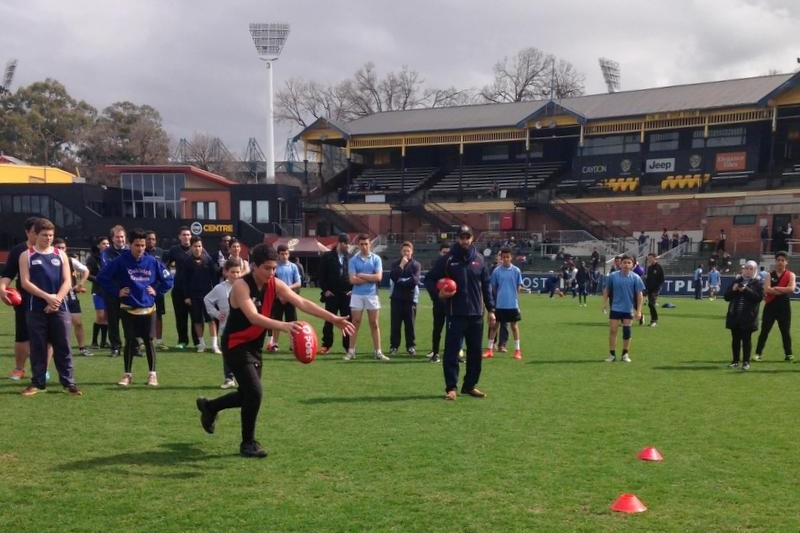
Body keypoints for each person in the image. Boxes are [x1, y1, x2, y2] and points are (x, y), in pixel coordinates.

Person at [195, 243, 355, 458]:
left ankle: (210, 407)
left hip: (254, 346)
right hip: (235, 345)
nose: (271, 273)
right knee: (255, 393)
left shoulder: (274, 283)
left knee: (248, 395)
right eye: (267, 268)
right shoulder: (242, 286)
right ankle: (248, 443)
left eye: (274, 268)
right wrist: (284, 326)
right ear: (254, 266)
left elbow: (301, 302)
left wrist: (333, 318)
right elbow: (253, 317)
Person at [425, 225, 495, 400]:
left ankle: (470, 386)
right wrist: (438, 294)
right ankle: (451, 388)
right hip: (455, 314)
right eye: (462, 237)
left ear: (472, 238)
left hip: (476, 315)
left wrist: (491, 310)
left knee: (475, 353)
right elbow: (429, 278)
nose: (465, 240)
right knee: (452, 352)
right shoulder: (448, 259)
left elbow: (486, 286)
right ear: (458, 238)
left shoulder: (479, 259)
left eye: (468, 237)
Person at [98, 228, 174, 387]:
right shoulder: (120, 261)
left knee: (148, 341)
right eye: (137, 245)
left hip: (148, 309)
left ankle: (152, 375)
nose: (140, 249)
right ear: (129, 244)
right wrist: (116, 291)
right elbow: (102, 278)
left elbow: (168, 280)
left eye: (143, 245)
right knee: (130, 341)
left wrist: (157, 291)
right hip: (128, 308)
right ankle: (127, 375)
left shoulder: (152, 262)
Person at [18, 218, 82, 396]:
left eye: (51, 235)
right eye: (44, 235)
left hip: (59, 308)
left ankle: (69, 383)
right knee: (38, 347)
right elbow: (25, 282)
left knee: (63, 345)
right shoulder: (27, 255)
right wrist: (47, 297)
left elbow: (67, 281)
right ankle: (37, 383)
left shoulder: (60, 255)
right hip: (36, 308)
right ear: (36, 235)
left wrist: (57, 300)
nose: (48, 238)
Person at [345, 234, 387, 361]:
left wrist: (362, 275)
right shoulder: (353, 260)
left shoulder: (376, 259)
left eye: (366, 244)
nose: (364, 246)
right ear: (358, 245)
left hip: (372, 295)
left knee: (374, 323)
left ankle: (378, 352)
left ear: (370, 245)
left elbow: (378, 277)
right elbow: (352, 280)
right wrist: (370, 277)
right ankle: (351, 351)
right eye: (361, 244)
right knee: (355, 323)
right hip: (357, 295)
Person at [204, 258, 243, 388]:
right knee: (227, 355)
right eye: (233, 272)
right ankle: (229, 378)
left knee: (242, 355)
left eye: (238, 272)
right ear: (226, 272)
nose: (236, 275)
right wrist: (216, 314)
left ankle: (243, 378)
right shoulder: (220, 288)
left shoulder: (245, 286)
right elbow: (207, 300)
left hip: (243, 328)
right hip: (226, 327)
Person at [602, 254, 644, 363]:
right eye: (624, 262)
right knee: (613, 331)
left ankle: (625, 354)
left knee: (627, 332)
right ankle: (612, 355)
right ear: (620, 264)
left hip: (628, 309)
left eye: (629, 263)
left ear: (632, 265)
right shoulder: (613, 276)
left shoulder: (636, 278)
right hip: (615, 308)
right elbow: (607, 290)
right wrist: (604, 304)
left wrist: (639, 311)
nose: (626, 264)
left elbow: (640, 295)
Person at [754, 251, 795, 362]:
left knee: (785, 331)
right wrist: (782, 289)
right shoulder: (769, 275)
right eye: (778, 260)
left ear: (786, 262)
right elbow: (767, 289)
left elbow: (791, 289)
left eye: (783, 260)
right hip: (770, 306)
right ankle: (758, 353)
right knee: (764, 331)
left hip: (784, 306)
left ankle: (788, 354)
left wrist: (776, 289)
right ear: (775, 261)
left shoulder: (791, 275)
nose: (780, 262)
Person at [53, 238, 92, 356]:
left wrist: (80, 284)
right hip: (54, 295)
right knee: (56, 323)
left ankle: (82, 348)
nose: (60, 250)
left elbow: (86, 270)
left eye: (63, 248)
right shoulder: (48, 259)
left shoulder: (71, 261)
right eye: (58, 248)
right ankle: (56, 348)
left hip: (70, 294)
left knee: (78, 322)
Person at [483, 248, 523, 360]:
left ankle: (517, 350)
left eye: (507, 257)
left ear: (511, 257)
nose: (505, 259)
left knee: (514, 326)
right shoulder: (496, 271)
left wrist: (513, 298)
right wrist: (499, 298)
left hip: (512, 304)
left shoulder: (516, 271)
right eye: (503, 257)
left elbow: (518, 287)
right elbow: (494, 287)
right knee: (494, 326)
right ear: (501, 258)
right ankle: (490, 349)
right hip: (499, 304)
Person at [724, 260, 764, 371]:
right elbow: (727, 297)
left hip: (749, 317)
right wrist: (734, 289)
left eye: (751, 269)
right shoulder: (736, 281)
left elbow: (758, 298)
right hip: (735, 315)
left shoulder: (758, 283)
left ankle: (746, 362)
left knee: (746, 340)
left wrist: (745, 289)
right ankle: (735, 361)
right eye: (746, 268)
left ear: (755, 270)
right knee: (735, 339)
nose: (748, 271)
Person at [317, 233, 352, 354]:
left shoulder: (350, 257)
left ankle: (348, 346)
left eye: (349, 243)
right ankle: (326, 345)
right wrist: (325, 290)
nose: (348, 246)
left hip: (346, 295)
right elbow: (321, 275)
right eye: (346, 243)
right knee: (329, 320)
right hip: (332, 294)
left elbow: (354, 275)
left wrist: (352, 289)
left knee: (347, 321)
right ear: (340, 243)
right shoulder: (327, 257)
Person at [162, 226, 196, 349]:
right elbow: (164, 265)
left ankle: (197, 341)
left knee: (195, 317)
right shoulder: (174, 250)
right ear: (179, 237)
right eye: (184, 235)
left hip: (193, 290)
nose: (186, 237)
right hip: (178, 289)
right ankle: (182, 341)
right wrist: (167, 277)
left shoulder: (197, 248)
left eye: (188, 234)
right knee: (180, 317)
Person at [183, 235, 218, 353]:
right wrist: (187, 296)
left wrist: (215, 294)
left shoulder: (208, 260)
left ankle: (214, 345)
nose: (197, 248)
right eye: (195, 246)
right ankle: (201, 344)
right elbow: (185, 280)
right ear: (191, 247)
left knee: (211, 320)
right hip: (194, 296)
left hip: (208, 296)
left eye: (199, 246)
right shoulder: (187, 261)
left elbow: (214, 278)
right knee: (197, 320)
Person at [266, 243, 302, 352]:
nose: (284, 256)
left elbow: (298, 283)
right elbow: (270, 281)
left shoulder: (293, 266)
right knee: (277, 321)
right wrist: (279, 293)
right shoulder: (274, 266)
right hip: (277, 298)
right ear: (278, 254)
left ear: (289, 254)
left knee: (292, 322)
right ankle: (275, 344)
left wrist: (286, 289)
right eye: (282, 254)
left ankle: (293, 344)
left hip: (290, 298)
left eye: (286, 254)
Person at [388, 241, 421, 356]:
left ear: (412, 252)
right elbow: (393, 277)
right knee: (395, 324)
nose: (406, 253)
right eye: (404, 251)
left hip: (410, 299)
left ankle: (410, 346)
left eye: (408, 251)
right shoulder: (395, 264)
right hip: (396, 299)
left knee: (410, 324)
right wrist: (401, 265)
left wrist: (401, 281)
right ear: (401, 252)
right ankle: (394, 347)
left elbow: (414, 281)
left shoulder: (416, 265)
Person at [101, 225, 128, 356]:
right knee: (113, 321)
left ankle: (133, 347)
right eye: (117, 237)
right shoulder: (106, 253)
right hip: (112, 292)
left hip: (129, 292)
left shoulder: (130, 250)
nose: (120, 239)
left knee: (131, 320)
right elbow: (110, 271)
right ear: (112, 239)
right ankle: (115, 347)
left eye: (122, 236)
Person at [425, 242, 450, 363]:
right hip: (440, 303)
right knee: (437, 329)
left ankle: (455, 354)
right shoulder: (438, 266)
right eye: (444, 252)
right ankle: (435, 353)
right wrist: (436, 294)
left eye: (448, 253)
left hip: (454, 304)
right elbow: (428, 279)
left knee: (455, 330)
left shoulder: (456, 265)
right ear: (440, 253)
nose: (446, 255)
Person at [145, 230, 168, 349]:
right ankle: (143, 340)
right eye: (148, 239)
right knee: (143, 315)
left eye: (153, 239)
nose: (151, 241)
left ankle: (159, 341)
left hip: (157, 290)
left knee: (158, 315)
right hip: (143, 290)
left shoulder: (160, 252)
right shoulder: (140, 252)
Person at [86, 236, 110, 349]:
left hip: (110, 291)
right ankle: (94, 341)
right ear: (98, 245)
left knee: (107, 316)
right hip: (98, 290)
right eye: (104, 243)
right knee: (100, 316)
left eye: (107, 243)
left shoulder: (111, 257)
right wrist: (99, 279)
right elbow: (87, 274)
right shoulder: (92, 258)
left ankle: (104, 342)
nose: (107, 245)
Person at [644, 252, 664, 327]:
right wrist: (646, 288)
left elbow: (662, 279)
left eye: (650, 258)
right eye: (648, 258)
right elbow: (648, 279)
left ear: (655, 258)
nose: (649, 259)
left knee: (651, 303)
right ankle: (653, 320)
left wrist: (658, 287)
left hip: (656, 289)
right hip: (649, 289)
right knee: (650, 304)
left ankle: (654, 321)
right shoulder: (649, 268)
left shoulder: (659, 267)